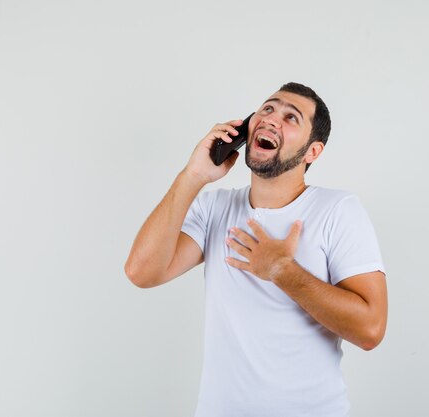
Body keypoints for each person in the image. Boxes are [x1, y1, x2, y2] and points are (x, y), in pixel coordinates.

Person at [125, 82, 388, 417]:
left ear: (312, 152)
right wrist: (193, 175)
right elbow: (142, 272)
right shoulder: (214, 207)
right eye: (267, 109)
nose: (271, 119)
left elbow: (370, 330)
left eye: (291, 117)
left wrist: (282, 271)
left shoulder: (337, 210)